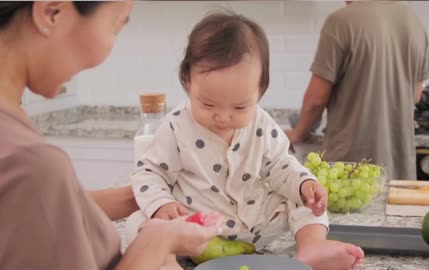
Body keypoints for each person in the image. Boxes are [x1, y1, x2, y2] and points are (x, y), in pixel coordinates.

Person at [125, 11, 364, 270]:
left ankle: (311, 246)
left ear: (260, 90)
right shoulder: (175, 126)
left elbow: (281, 166)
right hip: (197, 233)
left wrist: (304, 184)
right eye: (208, 104)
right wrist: (163, 205)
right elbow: (148, 173)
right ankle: (167, 263)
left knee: (301, 195)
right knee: (139, 223)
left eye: (239, 107)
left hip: (259, 226)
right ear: (187, 82)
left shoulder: (261, 122)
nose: (223, 117)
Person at [0, 2, 224, 270]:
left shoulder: (15, 132)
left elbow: (39, 211)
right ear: (52, 12)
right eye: (116, 25)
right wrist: (158, 242)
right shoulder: (30, 160)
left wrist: (145, 196)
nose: (108, 50)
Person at [286, 1, 429, 180]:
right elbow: (416, 94)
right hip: (399, 169)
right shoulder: (414, 22)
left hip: (350, 169)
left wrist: (298, 133)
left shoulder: (340, 22)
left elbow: (316, 99)